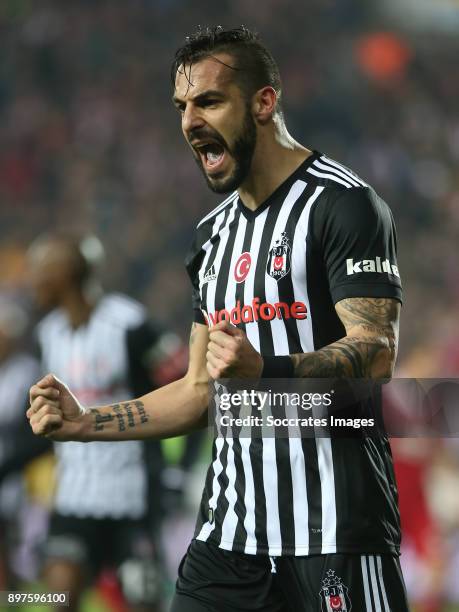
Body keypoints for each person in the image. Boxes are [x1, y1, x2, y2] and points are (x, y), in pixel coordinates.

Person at [28, 26, 408, 611]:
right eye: (181, 107)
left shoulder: (343, 204)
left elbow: (376, 352)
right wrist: (85, 423)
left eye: (208, 101)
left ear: (264, 102)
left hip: (334, 531)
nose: (189, 121)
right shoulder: (211, 238)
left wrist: (266, 369)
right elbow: (200, 391)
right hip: (228, 538)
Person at [27, 233, 186, 612]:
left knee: (144, 602)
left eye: (41, 272)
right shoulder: (46, 334)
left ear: (65, 275)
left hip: (131, 498)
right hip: (74, 497)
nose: (32, 282)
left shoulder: (130, 325)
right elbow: (40, 424)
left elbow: (187, 391)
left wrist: (176, 471)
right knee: (55, 597)